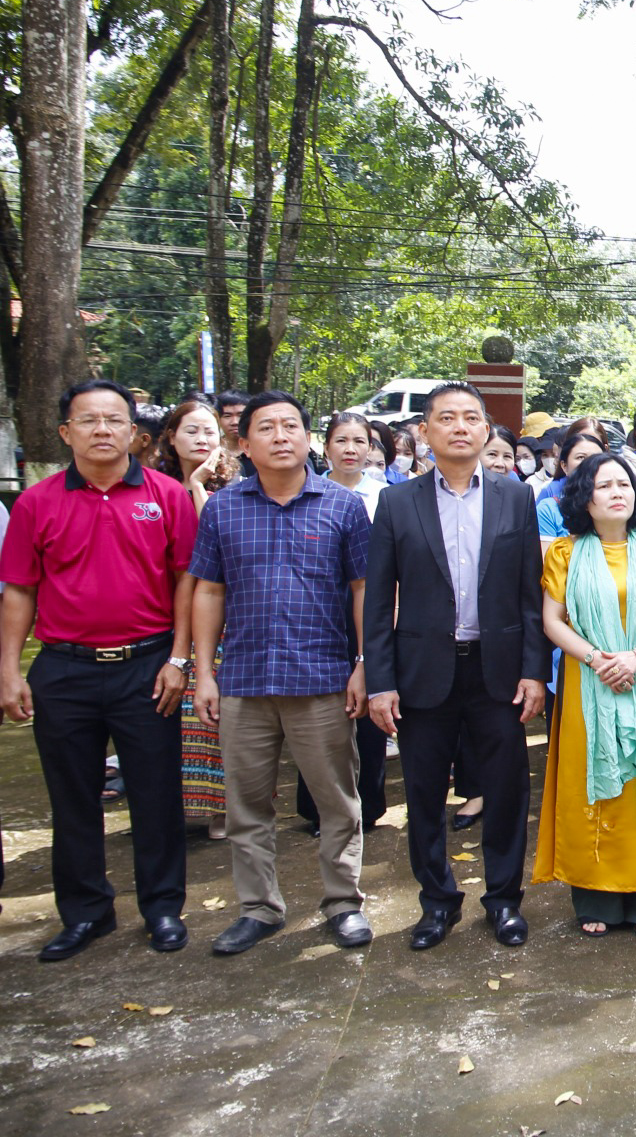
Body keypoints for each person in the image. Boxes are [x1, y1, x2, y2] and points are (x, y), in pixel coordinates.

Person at [1, 379, 199, 961]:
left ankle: (162, 907)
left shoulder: (164, 496)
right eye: (88, 421)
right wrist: (10, 670)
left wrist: (179, 660)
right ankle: (86, 912)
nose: (102, 430)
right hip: (64, 671)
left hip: (147, 665)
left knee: (157, 794)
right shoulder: (36, 503)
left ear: (134, 431)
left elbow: (187, 582)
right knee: (73, 797)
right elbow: (18, 592)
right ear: (67, 432)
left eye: (114, 420)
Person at [187, 391, 373, 955]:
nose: (281, 436)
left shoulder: (341, 505)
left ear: (308, 437)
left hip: (322, 678)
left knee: (337, 801)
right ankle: (259, 908)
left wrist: (364, 664)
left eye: (291, 425)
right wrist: (203, 671)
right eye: (266, 428)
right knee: (247, 806)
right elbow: (209, 590)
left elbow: (364, 588)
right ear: (245, 443)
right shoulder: (223, 508)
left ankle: (343, 902)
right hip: (243, 680)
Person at [364, 382, 547, 950]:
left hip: (497, 672)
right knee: (422, 794)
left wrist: (534, 670)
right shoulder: (398, 502)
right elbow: (377, 600)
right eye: (447, 418)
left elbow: (529, 593)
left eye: (471, 417)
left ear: (487, 431)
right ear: (425, 431)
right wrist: (379, 682)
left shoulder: (515, 497)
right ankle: (437, 901)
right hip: (424, 672)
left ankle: (503, 900)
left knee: (507, 789)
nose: (460, 427)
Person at [535, 453, 636, 935]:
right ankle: (594, 897)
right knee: (590, 786)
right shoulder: (565, 552)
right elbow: (552, 620)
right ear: (584, 498)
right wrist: (599, 659)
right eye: (604, 486)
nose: (618, 492)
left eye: (624, 483)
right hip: (587, 682)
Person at [297, 412, 390, 836]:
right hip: (319, 611)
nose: (351, 449)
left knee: (371, 708)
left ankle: (367, 805)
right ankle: (318, 809)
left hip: (375, 609)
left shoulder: (386, 496)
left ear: (371, 448)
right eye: (341, 441)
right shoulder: (306, 492)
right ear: (326, 447)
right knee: (317, 714)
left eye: (360, 441)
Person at [152, 398, 235, 839]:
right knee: (170, 717)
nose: (202, 439)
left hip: (217, 618)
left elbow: (215, 546)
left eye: (209, 431)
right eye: (192, 431)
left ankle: (222, 809)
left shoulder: (233, 488)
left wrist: (200, 486)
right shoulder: (152, 487)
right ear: (171, 437)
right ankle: (174, 807)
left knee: (212, 716)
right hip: (160, 614)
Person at [539, 431, 607, 546]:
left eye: (596, 458)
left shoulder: (615, 505)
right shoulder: (549, 510)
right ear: (564, 466)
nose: (589, 463)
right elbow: (547, 561)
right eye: (580, 457)